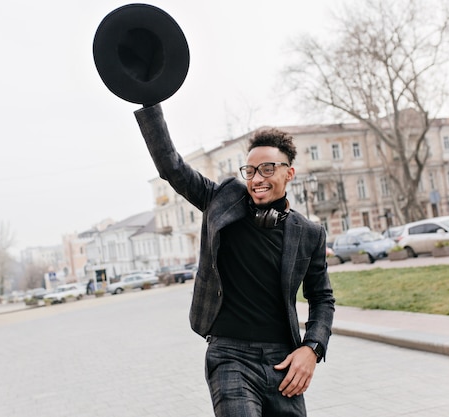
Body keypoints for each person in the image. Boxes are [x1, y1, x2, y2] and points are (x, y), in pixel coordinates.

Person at [134, 104, 335, 417]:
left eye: (267, 169)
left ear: (289, 173)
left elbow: (322, 298)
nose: (257, 179)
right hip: (230, 357)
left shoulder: (309, 233)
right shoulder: (223, 199)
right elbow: (172, 167)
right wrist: (149, 101)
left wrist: (312, 348)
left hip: (284, 360)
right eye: (251, 171)